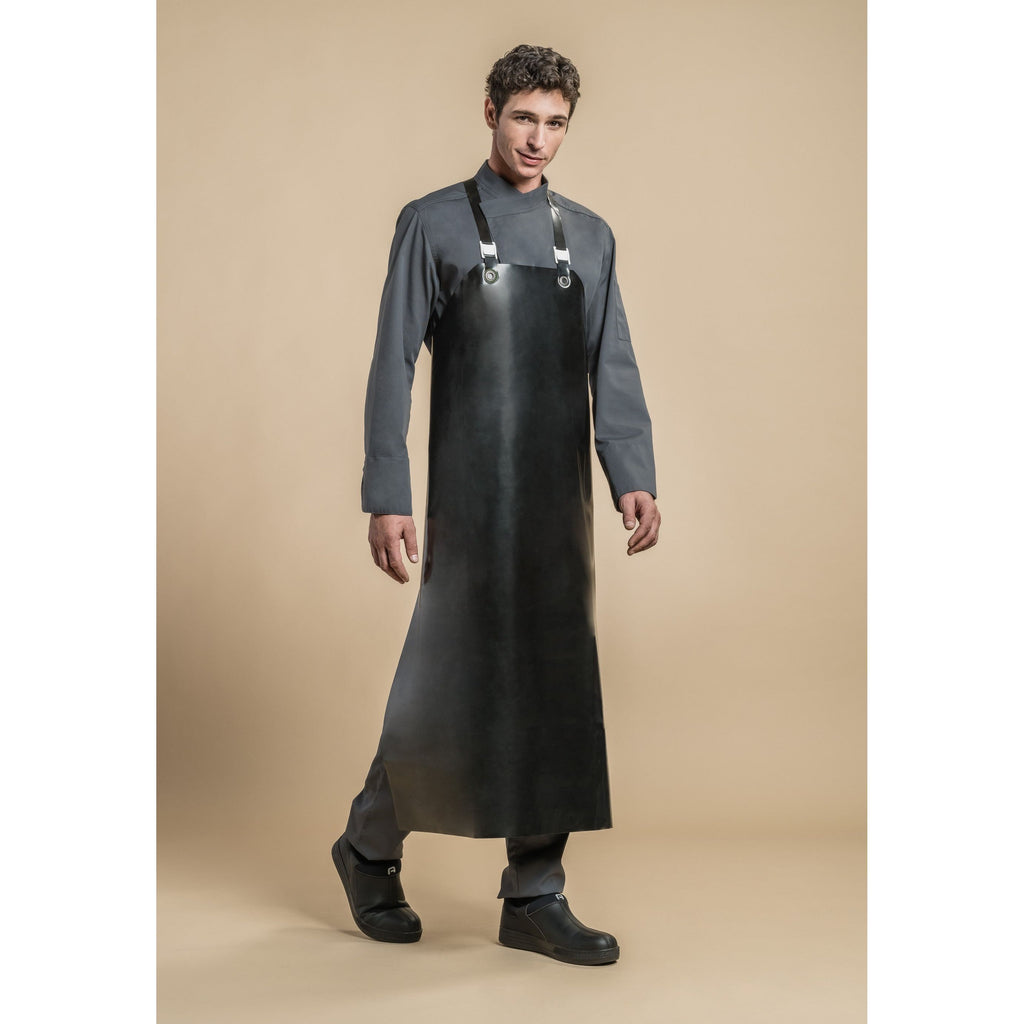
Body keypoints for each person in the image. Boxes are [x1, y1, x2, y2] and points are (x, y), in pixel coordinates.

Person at [332, 43, 660, 966]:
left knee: (554, 684)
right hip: (468, 502)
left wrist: (631, 473)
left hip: (558, 506)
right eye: (524, 118)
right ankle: (367, 847)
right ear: (490, 112)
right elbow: (392, 362)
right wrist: (387, 491)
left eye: (555, 124)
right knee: (449, 685)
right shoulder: (432, 223)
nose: (538, 140)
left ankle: (534, 894)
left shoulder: (589, 236)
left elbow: (612, 362)